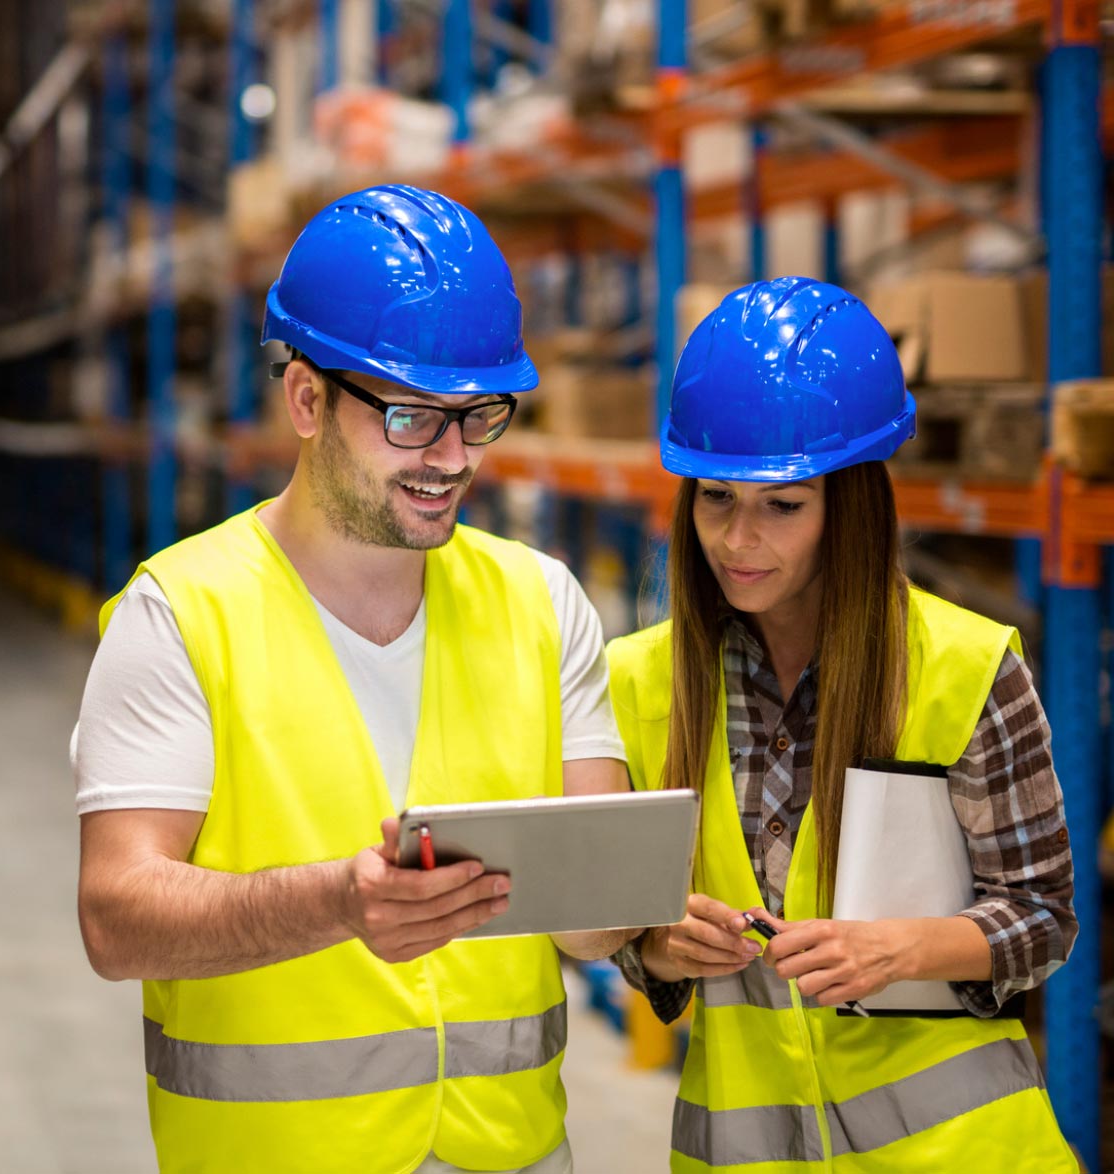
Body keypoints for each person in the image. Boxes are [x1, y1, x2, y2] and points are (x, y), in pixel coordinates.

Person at [73, 183, 635, 1174]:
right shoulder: (180, 615)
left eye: (478, 416)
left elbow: (597, 923)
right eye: (412, 417)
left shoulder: (539, 602)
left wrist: (653, 905)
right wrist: (336, 902)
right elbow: (116, 918)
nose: (452, 459)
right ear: (305, 400)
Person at [607, 277, 1078, 1171]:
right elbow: (626, 942)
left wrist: (898, 949)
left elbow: (1042, 919)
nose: (738, 541)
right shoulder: (639, 681)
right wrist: (663, 949)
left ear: (849, 507)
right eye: (714, 498)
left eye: (782, 506)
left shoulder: (962, 666)